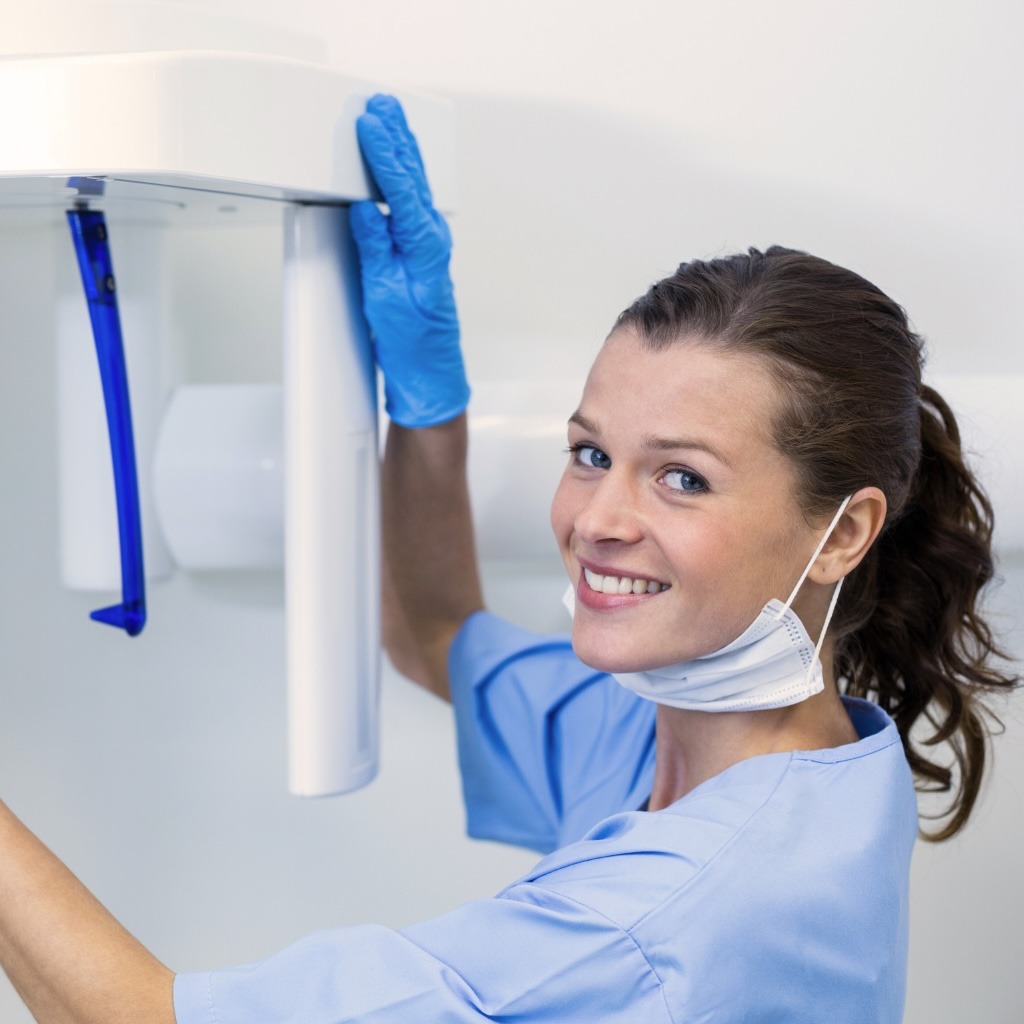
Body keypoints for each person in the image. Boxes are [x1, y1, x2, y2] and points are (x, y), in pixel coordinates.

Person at [0, 94, 1018, 1024]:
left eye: (682, 478)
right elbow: (433, 632)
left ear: (841, 530)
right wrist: (428, 406)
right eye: (589, 453)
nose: (596, 518)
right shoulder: (740, 749)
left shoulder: (664, 914)